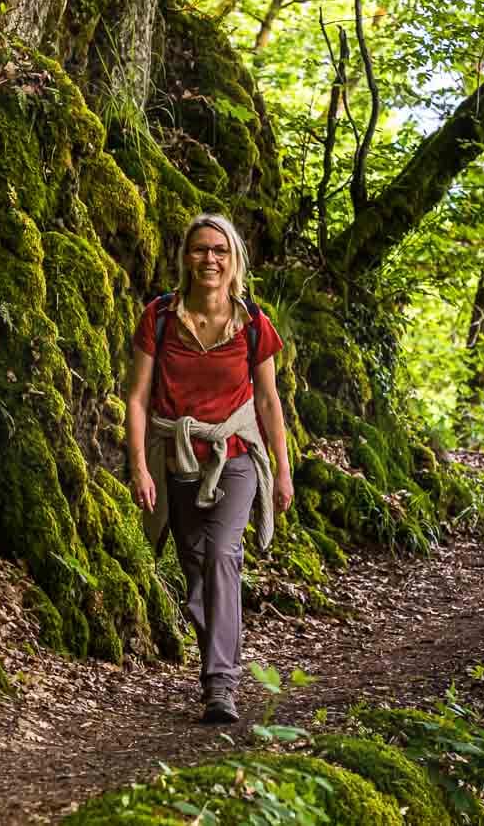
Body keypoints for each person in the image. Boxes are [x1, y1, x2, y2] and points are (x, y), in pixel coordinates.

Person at [127, 213, 294, 724]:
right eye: (200, 249)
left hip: (236, 455)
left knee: (223, 553)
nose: (210, 259)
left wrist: (283, 470)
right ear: (185, 259)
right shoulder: (158, 317)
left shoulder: (252, 324)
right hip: (177, 456)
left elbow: (268, 401)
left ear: (234, 259)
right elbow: (135, 398)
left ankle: (220, 683)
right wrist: (138, 467)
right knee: (194, 569)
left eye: (219, 250)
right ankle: (216, 658)